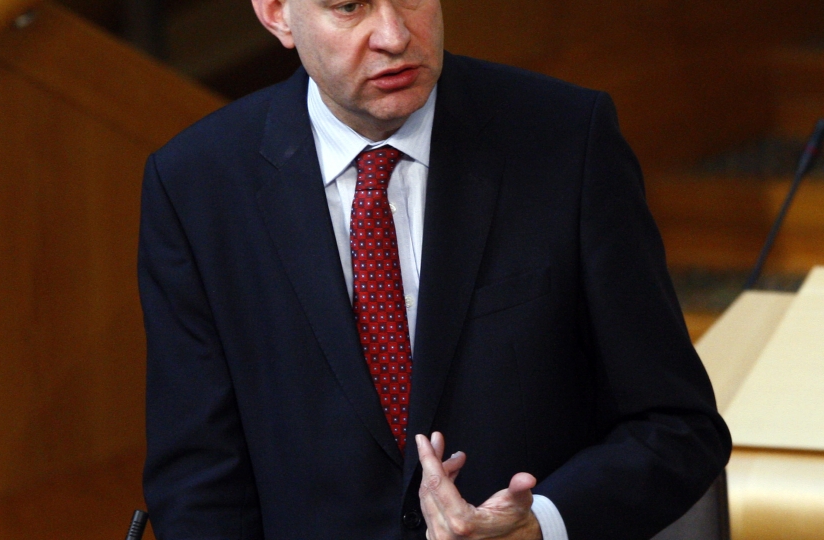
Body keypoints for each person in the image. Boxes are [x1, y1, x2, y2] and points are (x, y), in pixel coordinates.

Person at [138, 0, 731, 538]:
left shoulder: (567, 138)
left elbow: (677, 426)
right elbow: (198, 481)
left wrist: (541, 525)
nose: (394, 35)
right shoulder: (195, 186)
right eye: (350, 8)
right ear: (276, 14)